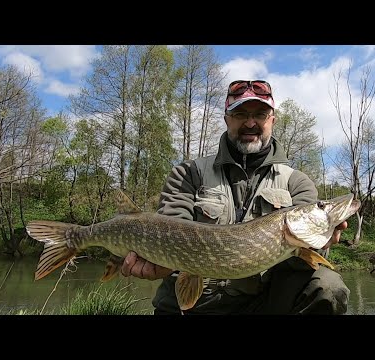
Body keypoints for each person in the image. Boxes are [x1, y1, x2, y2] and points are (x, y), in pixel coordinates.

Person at [121, 79, 350, 315]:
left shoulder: (296, 183)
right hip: (194, 306)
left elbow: (302, 263)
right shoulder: (188, 173)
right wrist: (158, 263)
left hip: (261, 304)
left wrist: (319, 241)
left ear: (272, 120)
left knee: (328, 287)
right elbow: (169, 231)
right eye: (240, 114)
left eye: (260, 114)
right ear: (226, 119)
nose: (250, 123)